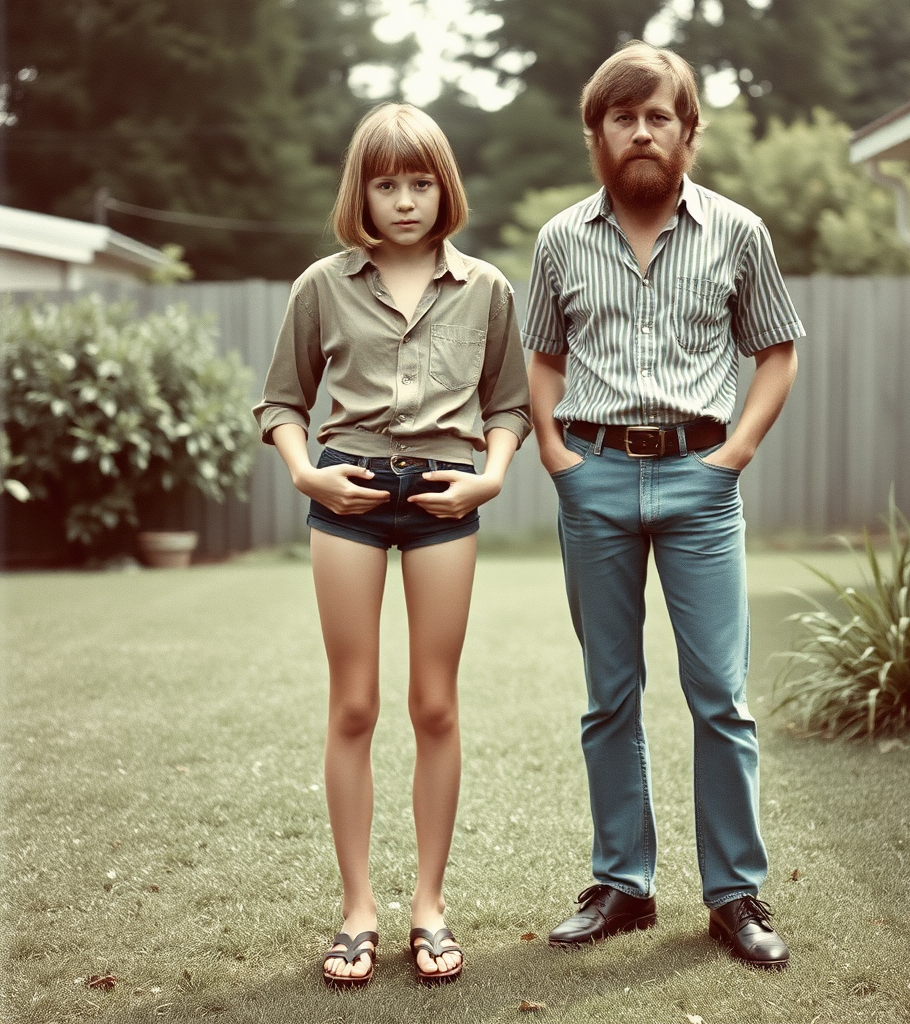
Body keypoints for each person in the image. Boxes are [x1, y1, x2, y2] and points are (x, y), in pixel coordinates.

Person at [522, 41, 804, 968]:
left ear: (688, 131)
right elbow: (542, 357)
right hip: (592, 477)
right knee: (611, 695)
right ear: (597, 133)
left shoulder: (738, 233)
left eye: (659, 116)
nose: (641, 132)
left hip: (699, 482)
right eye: (622, 117)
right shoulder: (561, 240)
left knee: (720, 696)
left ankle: (733, 896)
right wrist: (559, 454)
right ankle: (622, 885)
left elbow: (776, 352)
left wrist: (736, 452)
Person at [253, 102, 531, 988]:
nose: (405, 200)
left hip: (449, 496)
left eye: (420, 182)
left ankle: (428, 907)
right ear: (361, 192)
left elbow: (510, 407)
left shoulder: (487, 289)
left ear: (442, 187)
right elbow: (281, 403)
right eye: (386, 183)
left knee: (436, 706)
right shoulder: (321, 286)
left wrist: (490, 477)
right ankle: (358, 911)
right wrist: (307, 475)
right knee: (354, 706)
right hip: (351, 490)